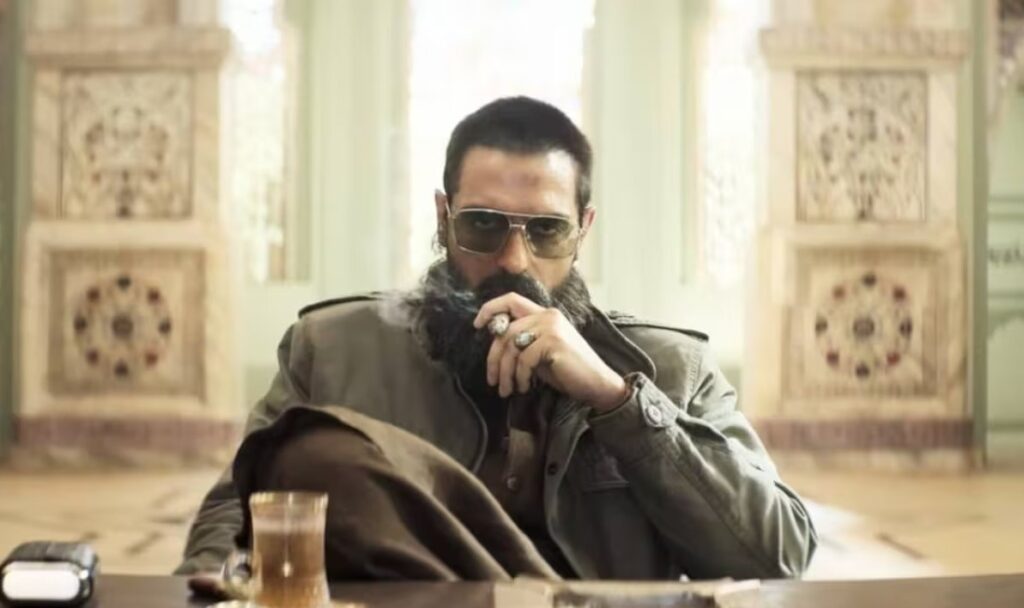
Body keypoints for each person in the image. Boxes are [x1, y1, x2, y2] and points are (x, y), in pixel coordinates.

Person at [177, 96, 816, 581]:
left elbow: (778, 557)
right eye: (483, 225)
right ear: (443, 218)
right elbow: (231, 522)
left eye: (547, 231)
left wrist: (618, 400)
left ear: (583, 230)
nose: (514, 260)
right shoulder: (333, 349)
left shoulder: (672, 368)